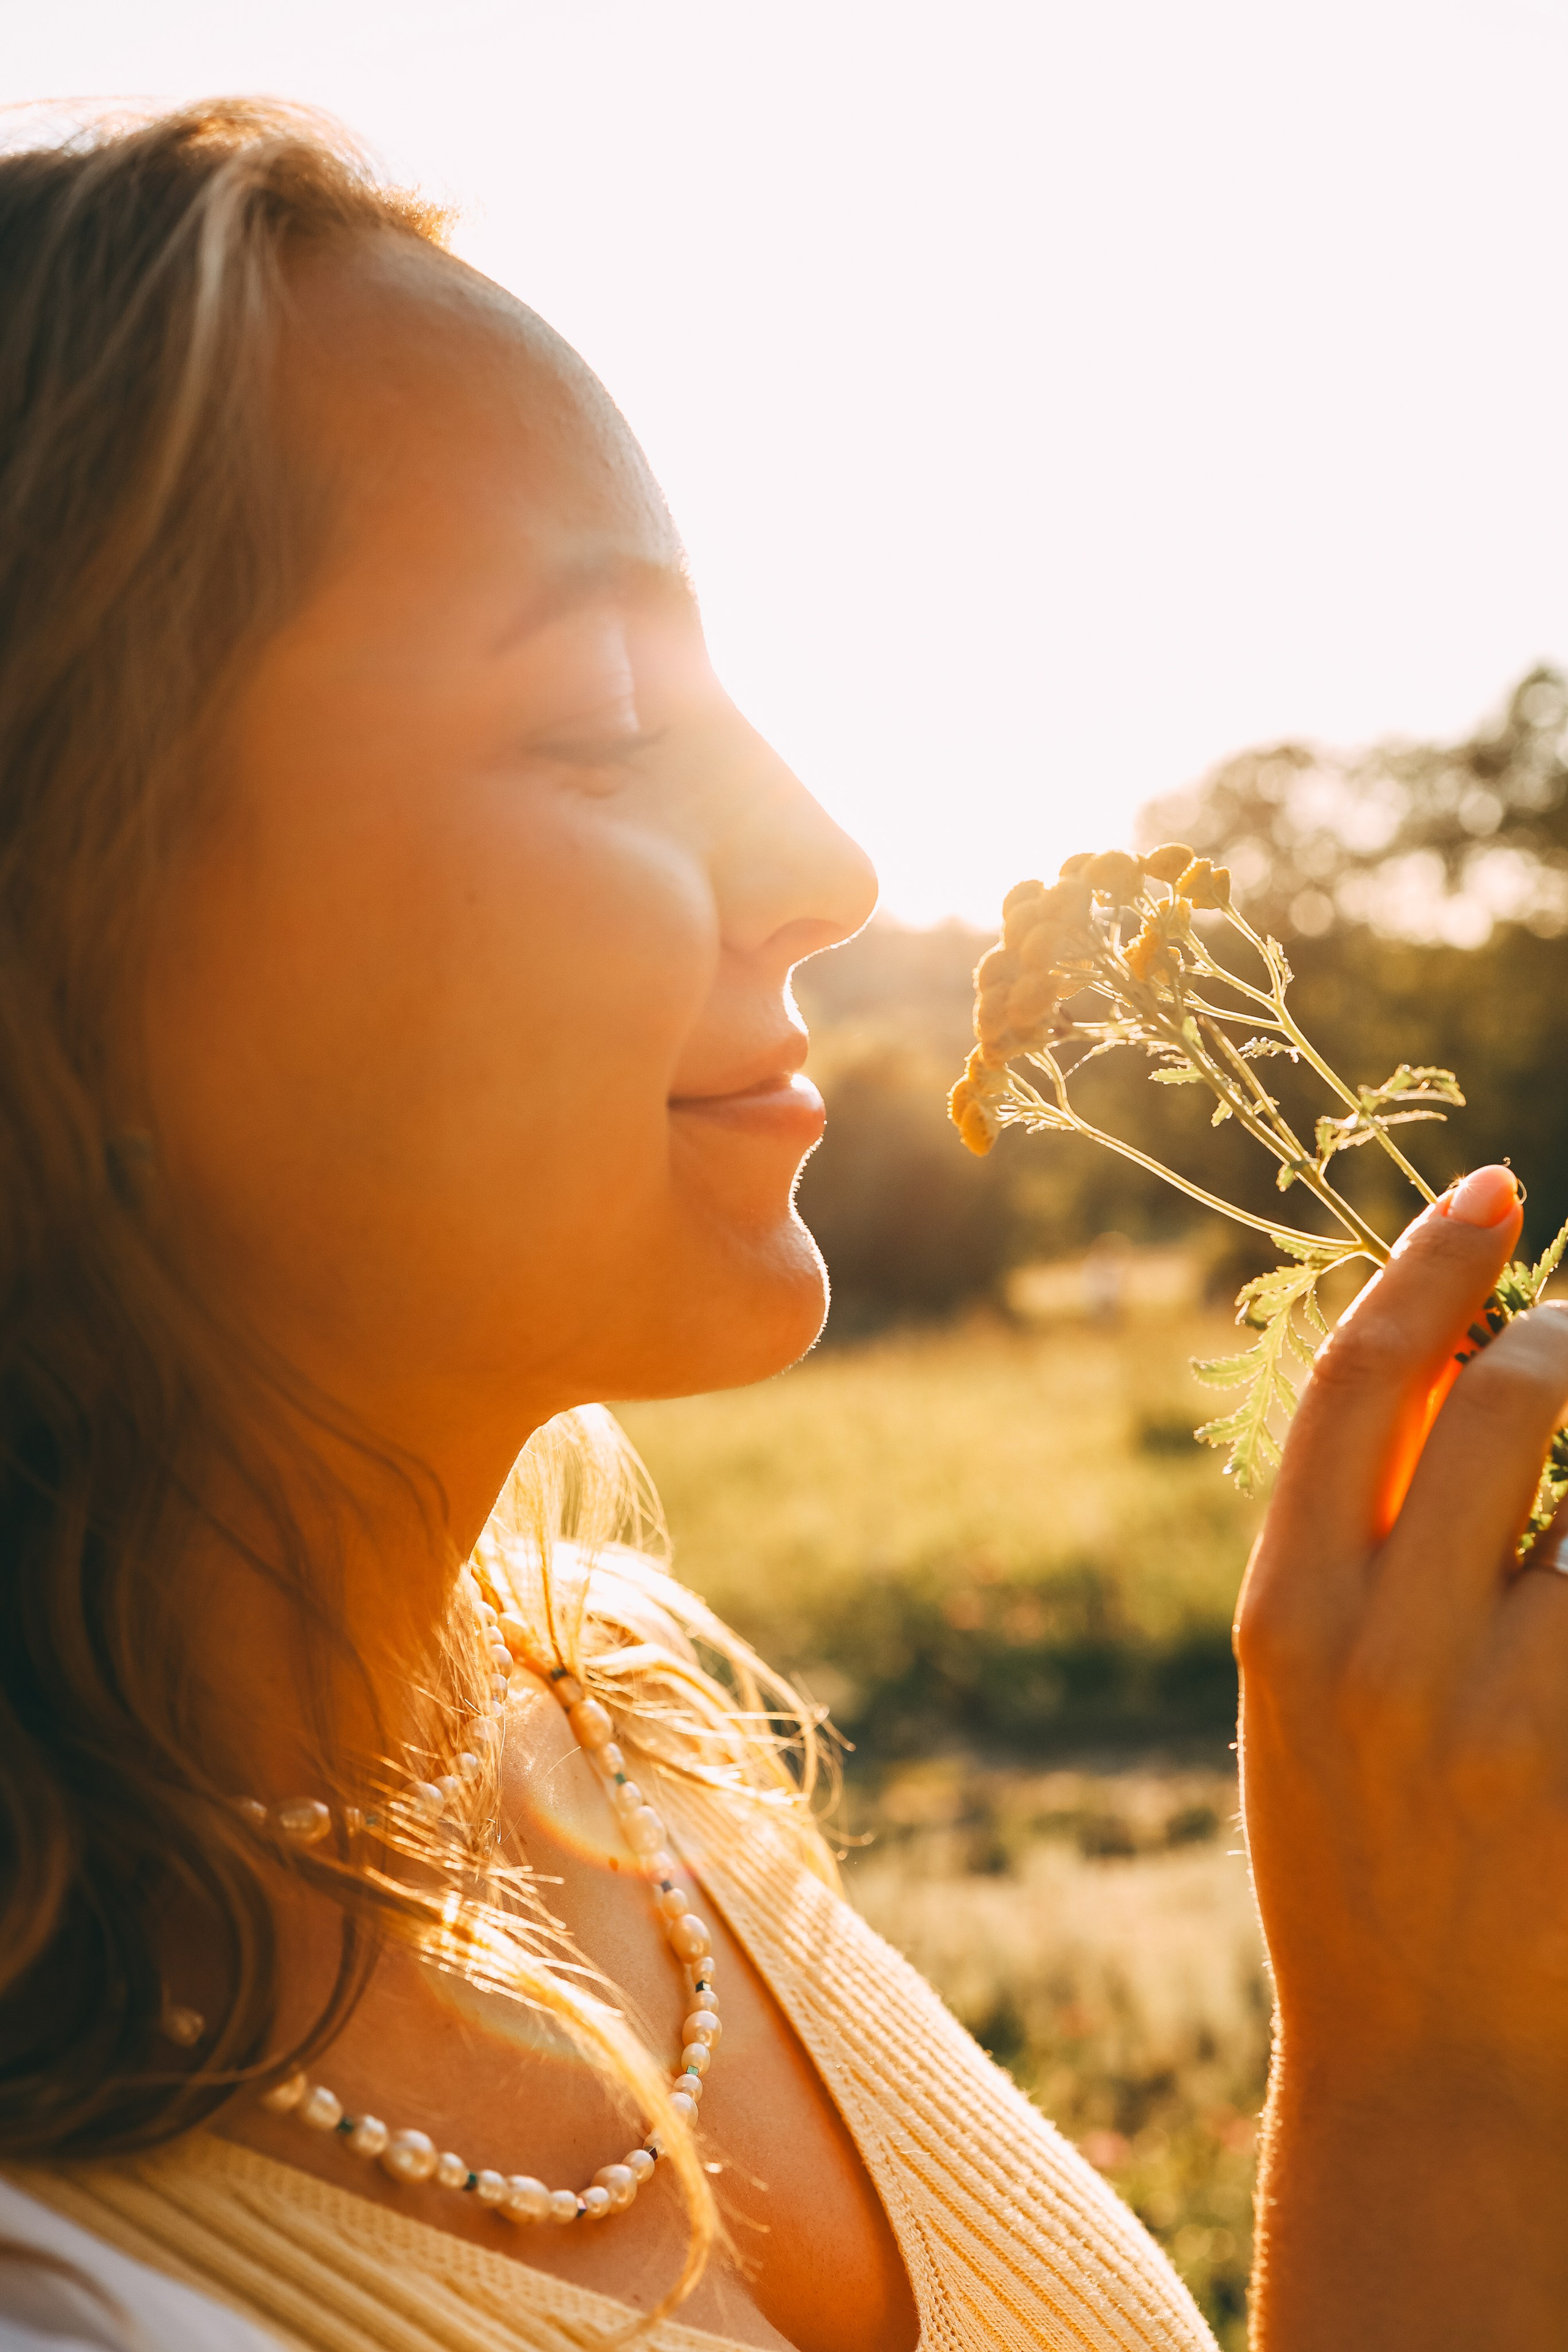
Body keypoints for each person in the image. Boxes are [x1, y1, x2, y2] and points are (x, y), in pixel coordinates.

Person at [0, 101, 1564, 2352]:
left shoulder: (627, 1733)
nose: (830, 864)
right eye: (600, 714)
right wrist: (1430, 2099)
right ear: (71, 931)